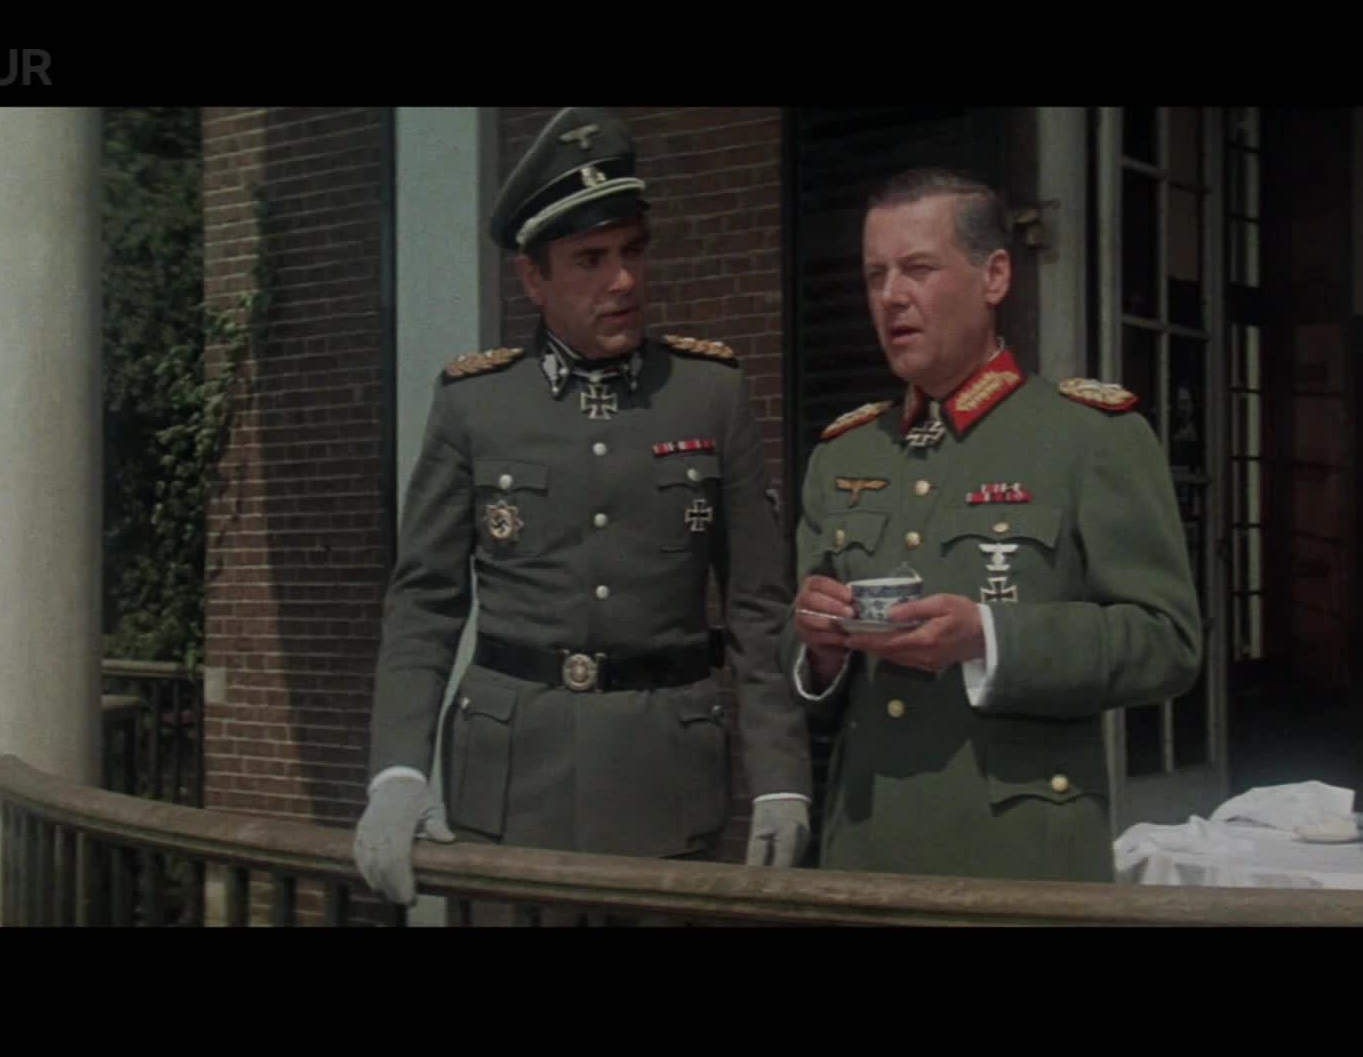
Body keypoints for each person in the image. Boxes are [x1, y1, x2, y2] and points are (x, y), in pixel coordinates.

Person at [354, 108, 815, 915]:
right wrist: (397, 771)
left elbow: (757, 606)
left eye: (633, 251)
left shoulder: (709, 394)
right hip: (510, 787)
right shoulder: (475, 405)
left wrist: (782, 780)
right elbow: (424, 603)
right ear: (533, 280)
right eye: (590, 260)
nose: (623, 281)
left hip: (665, 782)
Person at [785, 167, 1203, 882]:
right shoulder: (843, 454)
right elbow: (800, 651)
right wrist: (818, 650)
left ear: (995, 276)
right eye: (875, 275)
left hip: (1019, 856)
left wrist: (989, 638)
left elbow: (1167, 641)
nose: (892, 296)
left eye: (918, 269)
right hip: (867, 849)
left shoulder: (1088, 437)